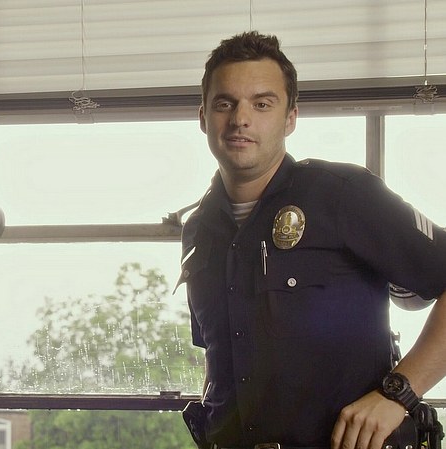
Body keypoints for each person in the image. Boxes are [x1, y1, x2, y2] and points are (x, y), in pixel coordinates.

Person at [180, 31, 446, 449]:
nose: (240, 119)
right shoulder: (198, 229)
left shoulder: (343, 194)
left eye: (262, 104)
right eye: (224, 103)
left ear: (290, 118)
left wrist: (399, 395)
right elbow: (222, 358)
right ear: (203, 117)